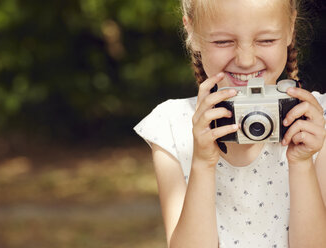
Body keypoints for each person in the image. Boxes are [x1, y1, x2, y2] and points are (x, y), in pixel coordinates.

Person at [134, 0, 326, 247]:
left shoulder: (316, 120)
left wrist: (301, 164)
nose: (245, 60)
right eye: (223, 42)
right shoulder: (173, 125)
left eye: (266, 40)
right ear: (192, 33)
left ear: (290, 28)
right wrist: (202, 163)